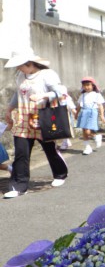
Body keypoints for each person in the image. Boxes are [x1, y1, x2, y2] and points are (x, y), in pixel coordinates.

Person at [3, 49, 68, 198]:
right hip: (23, 118)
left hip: (42, 117)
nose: (18, 68)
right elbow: (18, 94)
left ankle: (60, 174)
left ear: (30, 64)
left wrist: (43, 95)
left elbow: (60, 92)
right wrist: (9, 108)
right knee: (21, 153)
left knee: (49, 149)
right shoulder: (20, 76)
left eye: (20, 65)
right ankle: (19, 186)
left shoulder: (47, 75)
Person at [76, 76, 105, 155]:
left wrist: (102, 115)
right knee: (84, 130)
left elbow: (100, 105)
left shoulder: (96, 95)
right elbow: (79, 105)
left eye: (88, 85)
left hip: (92, 112)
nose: (86, 87)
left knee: (87, 130)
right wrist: (76, 113)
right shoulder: (83, 95)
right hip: (84, 112)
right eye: (84, 85)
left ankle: (96, 136)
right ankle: (87, 147)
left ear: (93, 85)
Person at [58, 85, 77, 151]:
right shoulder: (57, 101)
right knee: (61, 129)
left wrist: (76, 114)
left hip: (67, 116)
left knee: (65, 129)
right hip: (59, 116)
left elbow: (72, 108)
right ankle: (67, 141)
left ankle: (65, 143)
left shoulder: (67, 99)